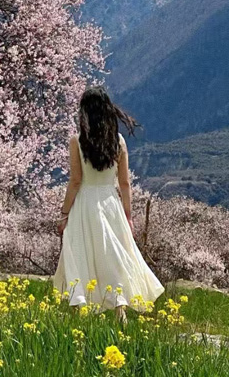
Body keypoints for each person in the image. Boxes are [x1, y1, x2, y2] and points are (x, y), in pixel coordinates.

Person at [52, 86, 164, 323]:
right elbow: (124, 183)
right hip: (110, 203)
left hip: (84, 203)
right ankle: (119, 310)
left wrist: (64, 214)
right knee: (113, 255)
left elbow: (75, 181)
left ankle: (78, 312)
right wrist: (128, 216)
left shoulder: (77, 141)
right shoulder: (119, 142)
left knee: (80, 254)